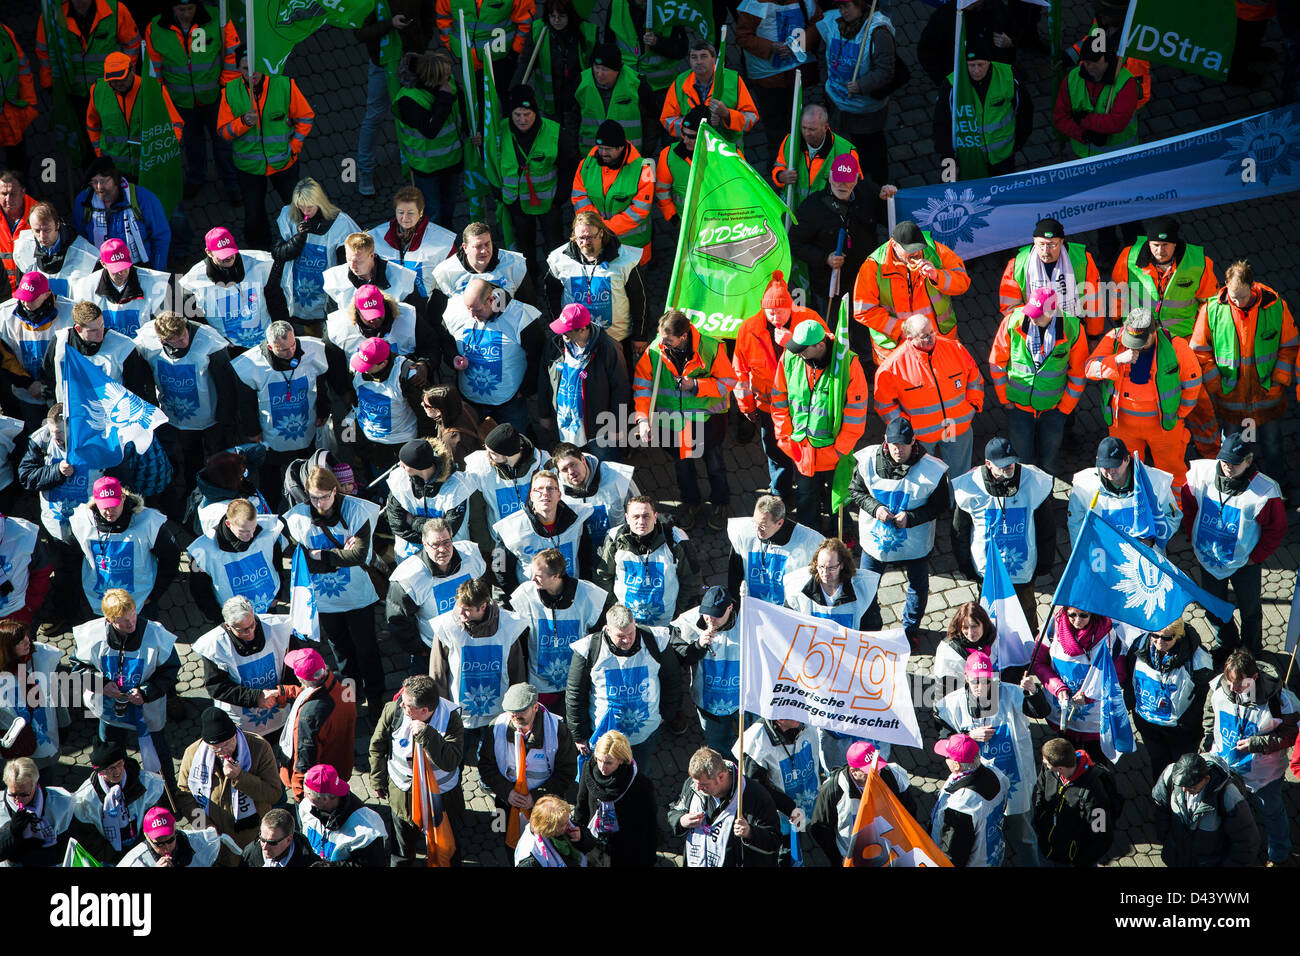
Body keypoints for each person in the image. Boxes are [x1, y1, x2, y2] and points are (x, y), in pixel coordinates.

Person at [1191, 259, 1297, 500]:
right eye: (1232, 296)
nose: (1236, 302)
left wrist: (1279, 380)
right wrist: (1215, 383)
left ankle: (1279, 490)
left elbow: (1289, 345)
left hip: (1265, 396)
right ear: (1225, 286)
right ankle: (1233, 492)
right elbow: (1199, 349)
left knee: (1271, 445)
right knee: (1234, 449)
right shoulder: (1212, 309)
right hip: (1233, 398)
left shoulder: (1275, 306)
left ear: (1253, 286)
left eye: (1241, 297)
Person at [283, 466, 386, 715]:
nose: (319, 503)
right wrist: (336, 558)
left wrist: (322, 555)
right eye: (314, 497)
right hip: (325, 601)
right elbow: (299, 560)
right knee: (341, 651)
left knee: (366, 648)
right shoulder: (297, 518)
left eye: (325, 496)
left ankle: (375, 699)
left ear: (335, 491)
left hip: (358, 596)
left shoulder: (357, 510)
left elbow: (359, 554)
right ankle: (351, 696)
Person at [935, 651, 1046, 866]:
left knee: (1023, 833)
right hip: (978, 787)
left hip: (1015, 781)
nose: (980, 685)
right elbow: (942, 742)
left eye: (986, 680)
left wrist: (1033, 691)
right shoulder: (951, 704)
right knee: (983, 836)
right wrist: (968, 737)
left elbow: (1040, 711)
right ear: (966, 677)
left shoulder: (1012, 693)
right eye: (975, 680)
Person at [1181, 434, 1286, 657]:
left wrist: (1255, 557)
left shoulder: (1264, 492)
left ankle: (1250, 651)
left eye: (1235, 463)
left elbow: (1276, 529)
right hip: (1208, 559)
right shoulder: (1201, 475)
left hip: (1244, 563)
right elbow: (1188, 503)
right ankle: (1227, 643)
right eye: (1225, 460)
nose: (1228, 467)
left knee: (1250, 611)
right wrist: (1193, 535)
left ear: (1248, 461)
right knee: (1213, 607)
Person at [849, 417, 950, 646]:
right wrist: (876, 509)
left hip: (915, 543)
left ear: (913, 441)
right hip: (876, 543)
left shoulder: (931, 469)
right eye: (894, 444)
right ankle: (871, 626)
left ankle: (910, 630)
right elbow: (856, 491)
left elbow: (940, 505)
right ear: (885, 441)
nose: (898, 450)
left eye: (904, 444)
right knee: (866, 585)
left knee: (918, 586)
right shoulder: (867, 461)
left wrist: (912, 518)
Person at [634, 310, 736, 531]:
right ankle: (691, 502)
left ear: (684, 336)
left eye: (668, 340)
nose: (663, 343)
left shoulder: (711, 348)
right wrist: (643, 420)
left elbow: (728, 382)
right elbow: (642, 387)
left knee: (715, 465)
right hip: (674, 425)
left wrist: (697, 386)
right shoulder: (655, 351)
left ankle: (720, 503)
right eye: (661, 337)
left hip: (707, 422)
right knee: (683, 468)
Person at [69, 589, 181, 790]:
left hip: (147, 709)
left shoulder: (156, 634)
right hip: (109, 711)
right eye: (124, 621)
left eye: (133, 615)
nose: (132, 623)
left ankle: (168, 792)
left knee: (158, 754)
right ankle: (118, 793)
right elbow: (77, 669)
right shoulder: (92, 635)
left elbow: (170, 671)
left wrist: (147, 691)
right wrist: (101, 684)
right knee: (111, 754)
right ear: (109, 620)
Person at [732, 274, 827, 501]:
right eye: (770, 312)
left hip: (805, 405)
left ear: (791, 307)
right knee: (775, 453)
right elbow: (739, 372)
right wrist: (746, 407)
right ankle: (780, 495)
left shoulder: (809, 320)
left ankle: (812, 492)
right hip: (768, 408)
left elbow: (828, 353)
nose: (775, 316)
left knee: (808, 450)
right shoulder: (749, 329)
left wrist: (792, 342)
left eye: (781, 311)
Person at [769, 318, 867, 532]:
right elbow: (779, 399)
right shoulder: (790, 357)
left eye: (803, 350)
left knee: (839, 496)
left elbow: (855, 414)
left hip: (834, 453)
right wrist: (784, 438)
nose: (798, 353)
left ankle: (842, 534)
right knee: (805, 496)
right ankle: (809, 535)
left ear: (820, 346)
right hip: (801, 450)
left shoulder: (848, 364)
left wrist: (841, 449)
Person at [1201, 649, 1298, 866]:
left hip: (1264, 776)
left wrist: (1256, 744)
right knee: (1228, 811)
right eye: (1230, 682)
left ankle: (1279, 854)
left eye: (1239, 684)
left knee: (1272, 814)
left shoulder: (1280, 700)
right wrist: (1207, 743)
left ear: (1254, 678)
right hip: (1225, 769)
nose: (1233, 689)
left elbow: (1290, 735)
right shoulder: (1219, 685)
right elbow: (1209, 714)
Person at [952, 438, 1055, 631]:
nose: (1008, 467)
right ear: (988, 464)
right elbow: (960, 530)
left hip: (1023, 568)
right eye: (1002, 465)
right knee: (989, 615)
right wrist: (965, 564)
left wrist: (1045, 562)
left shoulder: (1032, 481)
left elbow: (1046, 525)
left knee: (1026, 612)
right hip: (987, 569)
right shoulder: (970, 486)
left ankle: (1030, 652)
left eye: (1011, 462)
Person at [134, 309, 238, 498]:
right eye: (179, 340)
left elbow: (227, 382)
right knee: (190, 459)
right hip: (176, 416)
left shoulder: (208, 340)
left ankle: (222, 492)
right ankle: (193, 493)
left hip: (211, 416)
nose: (185, 341)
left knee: (218, 457)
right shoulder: (146, 339)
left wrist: (226, 417)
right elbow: (140, 374)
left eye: (184, 334)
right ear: (163, 340)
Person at [218, 48, 315, 249]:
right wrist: (243, 122)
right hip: (249, 168)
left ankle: (307, 243)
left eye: (255, 68)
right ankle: (260, 252)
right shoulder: (229, 92)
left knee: (299, 207)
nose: (251, 74)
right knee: (254, 214)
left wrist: (294, 148)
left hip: (283, 162)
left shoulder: (284, 85)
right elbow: (223, 132)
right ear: (238, 69)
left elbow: (306, 117)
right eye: (245, 69)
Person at [145, 3, 240, 204]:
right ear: (173, 8)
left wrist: (227, 88)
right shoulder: (155, 29)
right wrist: (163, 99)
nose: (186, 14)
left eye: (190, 8)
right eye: (181, 9)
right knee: (192, 142)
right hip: (181, 102)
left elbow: (232, 53)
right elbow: (154, 69)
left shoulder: (218, 19)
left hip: (215, 98)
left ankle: (232, 183)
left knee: (223, 142)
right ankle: (196, 178)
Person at [566, 603, 683, 768]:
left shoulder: (656, 641)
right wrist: (579, 735)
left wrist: (666, 714)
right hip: (606, 737)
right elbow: (575, 694)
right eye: (621, 636)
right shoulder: (588, 649)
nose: (627, 640)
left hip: (645, 733)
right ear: (607, 630)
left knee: (641, 771)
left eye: (631, 632)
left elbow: (672, 679)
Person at [231, 321, 334, 507]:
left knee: (306, 469)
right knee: (270, 477)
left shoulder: (312, 350)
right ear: (270, 346)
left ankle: (308, 503)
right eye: (284, 350)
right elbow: (245, 403)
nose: (291, 352)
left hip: (305, 425)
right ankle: (271, 509)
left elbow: (320, 384)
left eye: (293, 345)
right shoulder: (251, 364)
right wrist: (252, 430)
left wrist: (323, 409)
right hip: (270, 432)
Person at [988, 288, 1088, 477]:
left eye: (1037, 315)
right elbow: (996, 363)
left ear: (1051, 312)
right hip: (1018, 406)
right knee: (1022, 460)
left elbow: (1078, 375)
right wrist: (1005, 400)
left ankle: (1047, 489)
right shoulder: (1013, 321)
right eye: (1030, 312)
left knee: (1049, 460)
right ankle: (1026, 489)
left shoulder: (1073, 328)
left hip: (1053, 409)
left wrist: (1064, 409)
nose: (1032, 319)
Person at [874, 315, 984, 484]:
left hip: (956, 427)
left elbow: (974, 378)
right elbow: (884, 404)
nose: (931, 337)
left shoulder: (954, 348)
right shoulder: (892, 367)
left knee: (960, 476)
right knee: (925, 479)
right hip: (921, 435)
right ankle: (933, 509)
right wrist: (906, 429)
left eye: (932, 331)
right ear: (909, 338)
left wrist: (972, 406)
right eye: (924, 335)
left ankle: (958, 508)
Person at [429, 578, 529, 762]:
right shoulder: (447, 626)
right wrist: (441, 710)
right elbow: (437, 671)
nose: (461, 613)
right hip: (459, 709)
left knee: (490, 753)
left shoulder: (508, 624)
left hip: (498, 708)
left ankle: (487, 779)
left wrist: (518, 705)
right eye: (459, 606)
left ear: (483, 606)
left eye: (467, 609)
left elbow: (516, 667)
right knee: (456, 753)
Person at [369, 674, 464, 867]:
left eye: (407, 704)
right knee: (402, 851)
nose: (401, 705)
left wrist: (427, 734)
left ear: (424, 710)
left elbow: (451, 761)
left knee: (447, 849)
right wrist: (378, 781)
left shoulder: (451, 719)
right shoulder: (393, 710)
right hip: (403, 795)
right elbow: (377, 747)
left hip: (443, 798)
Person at [853, 220, 971, 367]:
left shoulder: (934, 251)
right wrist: (901, 330)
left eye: (918, 247)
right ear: (894, 245)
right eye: (910, 249)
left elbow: (962, 283)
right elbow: (863, 311)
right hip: (898, 348)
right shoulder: (873, 267)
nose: (916, 253)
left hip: (937, 340)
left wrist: (936, 276)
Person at [35, 0, 141, 163]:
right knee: (83, 141)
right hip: (74, 94)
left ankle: (116, 174)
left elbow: (132, 44)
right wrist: (50, 86)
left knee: (114, 136)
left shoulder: (115, 10)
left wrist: (125, 78)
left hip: (109, 93)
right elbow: (44, 51)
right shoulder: (52, 15)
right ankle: (93, 176)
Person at [789, 155, 892, 323]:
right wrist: (825, 259)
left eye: (847, 180)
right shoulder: (812, 207)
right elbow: (794, 242)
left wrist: (889, 201)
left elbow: (889, 221)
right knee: (833, 330)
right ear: (830, 177)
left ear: (857, 179)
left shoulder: (870, 193)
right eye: (837, 179)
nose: (841, 185)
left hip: (866, 282)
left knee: (864, 330)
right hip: (829, 287)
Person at [176, 706, 283, 864]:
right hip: (215, 843)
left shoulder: (259, 748)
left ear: (235, 734)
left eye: (227, 744)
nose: (222, 751)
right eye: (215, 748)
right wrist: (203, 825)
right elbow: (184, 795)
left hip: (251, 839)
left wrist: (240, 777)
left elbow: (274, 794)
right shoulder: (193, 754)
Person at [510, 548, 613, 711]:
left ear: (556, 576)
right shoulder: (525, 594)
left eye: (538, 576)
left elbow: (598, 636)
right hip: (540, 679)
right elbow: (518, 638)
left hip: (576, 677)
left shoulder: (587, 593)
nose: (532, 579)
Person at [355, 6, 437, 200]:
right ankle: (364, 171)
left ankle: (413, 163)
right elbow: (360, 32)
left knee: (413, 110)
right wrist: (389, 24)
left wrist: (420, 44)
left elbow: (427, 16)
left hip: (412, 59)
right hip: (382, 63)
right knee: (375, 115)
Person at [441, 277, 542, 433]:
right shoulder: (456, 310)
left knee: (515, 444)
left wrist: (527, 389)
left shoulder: (521, 317)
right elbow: (445, 341)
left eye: (478, 310)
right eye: (468, 309)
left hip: (509, 402)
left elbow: (538, 355)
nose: (472, 315)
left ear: (492, 300)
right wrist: (453, 357)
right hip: (470, 399)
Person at [68, 476, 177, 618]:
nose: (109, 511)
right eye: (104, 506)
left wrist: (155, 593)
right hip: (97, 602)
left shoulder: (148, 522)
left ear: (123, 498)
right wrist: (80, 592)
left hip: (139, 602)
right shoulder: (82, 522)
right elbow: (71, 558)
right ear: (95, 502)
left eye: (114, 505)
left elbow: (171, 557)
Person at [85, 52, 184, 206]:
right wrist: (100, 153)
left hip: (149, 169)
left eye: (122, 78)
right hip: (116, 171)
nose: (118, 84)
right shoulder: (98, 91)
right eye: (113, 81)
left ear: (132, 70)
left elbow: (175, 124)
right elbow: (92, 124)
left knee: (163, 208)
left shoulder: (153, 90)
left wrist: (163, 152)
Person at [1030, 607, 1126, 765]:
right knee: (1065, 758)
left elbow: (1118, 675)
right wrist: (1058, 687)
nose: (1077, 621)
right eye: (1072, 615)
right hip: (1062, 713)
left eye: (1083, 615)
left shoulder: (1108, 636)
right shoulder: (1053, 628)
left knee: (1096, 762)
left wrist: (1089, 695)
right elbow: (1038, 661)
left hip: (1094, 720)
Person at [191, 595, 296, 738]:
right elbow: (217, 687)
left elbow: (293, 663)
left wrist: (286, 691)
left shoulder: (277, 628)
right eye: (243, 630)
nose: (250, 633)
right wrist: (256, 697)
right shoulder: (215, 646)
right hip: (243, 724)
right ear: (228, 626)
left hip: (280, 713)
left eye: (252, 625)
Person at [1124, 617, 1214, 781]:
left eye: (1167, 638)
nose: (1159, 642)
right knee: (1158, 764)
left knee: (1182, 770)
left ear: (1178, 635)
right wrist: (1130, 701)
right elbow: (1129, 676)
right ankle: (1161, 797)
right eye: (1155, 636)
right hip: (1149, 726)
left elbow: (1204, 697)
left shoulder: (1198, 660)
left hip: (1181, 732)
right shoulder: (1138, 647)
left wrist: (1189, 724)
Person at [544, 211, 646, 356]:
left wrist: (639, 336)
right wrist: (562, 326)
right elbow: (551, 294)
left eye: (590, 237)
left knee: (621, 378)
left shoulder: (626, 259)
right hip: (577, 339)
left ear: (601, 233)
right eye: (581, 238)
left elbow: (640, 299)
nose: (585, 243)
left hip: (616, 339)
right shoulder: (559, 260)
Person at [501, 84, 579, 270]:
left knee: (556, 245)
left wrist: (559, 198)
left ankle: (559, 279)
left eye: (527, 114)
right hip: (517, 204)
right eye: (517, 115)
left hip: (549, 203)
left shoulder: (554, 132)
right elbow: (489, 161)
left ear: (536, 112)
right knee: (524, 246)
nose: (522, 120)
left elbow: (570, 166)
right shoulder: (499, 132)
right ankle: (531, 280)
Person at [595, 494, 702, 628]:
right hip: (626, 625)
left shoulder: (675, 539)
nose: (641, 521)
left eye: (646, 516)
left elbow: (691, 580)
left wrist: (678, 615)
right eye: (636, 516)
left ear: (655, 516)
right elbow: (603, 577)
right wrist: (615, 608)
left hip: (666, 623)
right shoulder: (613, 539)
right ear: (627, 518)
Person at [479, 682, 579, 825]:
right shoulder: (496, 727)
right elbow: (485, 766)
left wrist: (536, 797)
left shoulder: (558, 731)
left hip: (544, 804)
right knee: (501, 831)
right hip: (505, 800)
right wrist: (507, 792)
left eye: (522, 711)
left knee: (542, 840)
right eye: (511, 711)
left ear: (536, 707)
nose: (515, 716)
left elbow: (567, 772)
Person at [933, 37, 1031, 180]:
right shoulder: (952, 85)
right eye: (971, 65)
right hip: (968, 161)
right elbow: (941, 125)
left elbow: (1025, 111)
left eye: (980, 64)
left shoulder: (1009, 77)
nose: (976, 71)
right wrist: (949, 160)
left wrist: (1017, 145)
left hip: (1003, 160)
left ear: (989, 61)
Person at [387, 517, 487, 657]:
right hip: (435, 648)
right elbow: (399, 621)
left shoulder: (470, 556)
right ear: (425, 544)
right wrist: (420, 650)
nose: (442, 549)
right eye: (435, 544)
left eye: (447, 542)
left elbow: (485, 593)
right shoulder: (408, 577)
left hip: (473, 641)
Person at [667, 746, 780, 867]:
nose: (698, 788)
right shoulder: (693, 784)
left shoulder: (756, 796)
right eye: (696, 783)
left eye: (704, 785)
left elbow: (774, 842)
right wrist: (682, 821)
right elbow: (674, 811)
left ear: (721, 776)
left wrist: (750, 833)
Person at [273, 178, 360, 331]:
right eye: (300, 207)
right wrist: (298, 238)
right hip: (298, 290)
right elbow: (278, 254)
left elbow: (350, 259)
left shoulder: (340, 223)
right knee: (309, 327)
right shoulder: (288, 216)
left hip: (326, 290)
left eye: (309, 207)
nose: (305, 212)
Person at [809, 739, 915, 865]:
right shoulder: (833, 790)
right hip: (857, 859)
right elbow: (820, 829)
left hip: (892, 851)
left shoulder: (892, 774)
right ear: (854, 772)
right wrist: (838, 859)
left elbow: (909, 808)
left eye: (878, 766)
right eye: (869, 771)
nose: (877, 773)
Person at [1067, 436, 1179, 551]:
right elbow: (1076, 524)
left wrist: (1152, 541)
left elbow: (1173, 517)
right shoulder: (1083, 487)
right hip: (1105, 560)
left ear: (1127, 459)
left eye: (1115, 465)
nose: (1110, 471)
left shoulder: (1156, 482)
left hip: (1147, 559)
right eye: (1105, 466)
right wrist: (1083, 555)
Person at [738, 716, 823, 867]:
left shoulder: (807, 721)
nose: (801, 712)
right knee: (786, 848)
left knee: (799, 833)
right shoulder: (757, 740)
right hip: (782, 814)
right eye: (793, 712)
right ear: (779, 719)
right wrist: (789, 807)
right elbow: (756, 787)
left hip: (807, 798)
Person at [998, 218, 1102, 340]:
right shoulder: (1017, 264)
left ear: (1062, 241)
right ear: (1034, 241)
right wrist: (1033, 325)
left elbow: (1093, 300)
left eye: (1052, 245)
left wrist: (1093, 335)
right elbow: (1010, 308)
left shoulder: (1082, 259)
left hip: (1073, 331)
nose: (1045, 251)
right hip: (1031, 331)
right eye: (1041, 244)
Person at [1151, 752, 1261, 867]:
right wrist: (1166, 839)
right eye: (1181, 785)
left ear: (1207, 779)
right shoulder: (1170, 774)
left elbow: (1247, 842)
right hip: (1177, 857)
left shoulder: (1229, 796)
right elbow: (1160, 807)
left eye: (1192, 787)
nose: (1184, 790)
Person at [277, 648, 357, 803]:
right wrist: (285, 692)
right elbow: (320, 694)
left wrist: (301, 797)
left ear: (300, 678)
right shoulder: (345, 683)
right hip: (341, 766)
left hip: (320, 785)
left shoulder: (309, 716)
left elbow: (304, 760)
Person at [571, 119, 654, 267]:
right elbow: (579, 197)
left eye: (608, 149)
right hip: (598, 242)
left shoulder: (646, 167)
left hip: (632, 245)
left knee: (635, 287)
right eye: (600, 147)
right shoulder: (586, 165)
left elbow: (640, 210)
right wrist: (599, 228)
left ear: (621, 147)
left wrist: (602, 229)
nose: (603, 153)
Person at [69, 740, 166, 864]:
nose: (117, 771)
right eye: (110, 769)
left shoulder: (145, 783)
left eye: (119, 764)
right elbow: (90, 838)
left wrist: (143, 846)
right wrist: (115, 857)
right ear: (100, 771)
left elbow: (154, 817)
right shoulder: (85, 799)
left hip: (143, 847)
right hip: (110, 857)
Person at [670, 585, 742, 752]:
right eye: (707, 614)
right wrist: (697, 646)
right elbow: (678, 658)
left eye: (716, 616)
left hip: (742, 702)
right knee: (718, 745)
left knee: (746, 742)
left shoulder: (747, 621)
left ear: (730, 608)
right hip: (708, 703)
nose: (710, 620)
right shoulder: (689, 622)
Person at [178, 226, 276, 350]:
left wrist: (279, 325)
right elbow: (190, 317)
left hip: (268, 337)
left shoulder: (259, 263)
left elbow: (276, 297)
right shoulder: (192, 281)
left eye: (230, 252)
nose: (228, 257)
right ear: (209, 252)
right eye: (222, 254)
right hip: (228, 346)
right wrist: (213, 338)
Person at [186, 499, 285, 620]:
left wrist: (278, 594)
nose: (252, 535)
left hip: (268, 604)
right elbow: (199, 589)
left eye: (254, 527)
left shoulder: (268, 531)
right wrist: (216, 617)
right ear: (228, 524)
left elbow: (277, 563)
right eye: (244, 531)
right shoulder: (203, 550)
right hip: (233, 617)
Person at [493, 469, 594, 586]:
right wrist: (517, 597)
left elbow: (586, 556)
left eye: (551, 488)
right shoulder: (509, 527)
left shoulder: (578, 517)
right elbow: (500, 568)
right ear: (531, 495)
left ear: (559, 495)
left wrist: (581, 587)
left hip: (570, 592)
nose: (545, 493)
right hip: (532, 597)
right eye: (539, 489)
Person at [574, 729, 658, 868]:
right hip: (594, 846)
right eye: (599, 760)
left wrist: (648, 858)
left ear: (621, 760)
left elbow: (648, 826)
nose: (602, 767)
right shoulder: (589, 771)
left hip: (626, 848)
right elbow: (581, 805)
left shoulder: (640, 784)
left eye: (608, 763)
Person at [1029, 736, 1116, 867]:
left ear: (1060, 769)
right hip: (1045, 846)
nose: (1043, 762)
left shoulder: (1093, 795)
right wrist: (1037, 821)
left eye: (1047, 762)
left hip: (1071, 859)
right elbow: (1040, 791)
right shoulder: (1049, 770)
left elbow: (1102, 836)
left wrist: (1082, 861)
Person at [1052, 31, 1138, 159]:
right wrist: (1083, 135)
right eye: (1086, 61)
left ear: (1108, 58)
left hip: (1119, 158)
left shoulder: (1126, 83)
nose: (1089, 66)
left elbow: (1117, 123)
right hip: (1082, 158)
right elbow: (1060, 117)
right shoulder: (1073, 78)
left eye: (1094, 61)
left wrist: (1083, 120)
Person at [930, 732, 1011, 867]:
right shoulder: (995, 772)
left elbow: (953, 852)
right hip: (992, 852)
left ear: (956, 765)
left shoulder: (961, 805)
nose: (944, 759)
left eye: (947, 756)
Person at [660, 40, 760, 149]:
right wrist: (692, 126)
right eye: (694, 57)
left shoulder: (733, 79)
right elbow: (667, 119)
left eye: (703, 56)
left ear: (714, 59)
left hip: (728, 151)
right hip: (694, 150)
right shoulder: (680, 82)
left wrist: (727, 115)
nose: (698, 62)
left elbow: (751, 117)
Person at [347, 336, 426, 475]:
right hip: (368, 440)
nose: (361, 369)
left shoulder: (406, 375)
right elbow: (353, 398)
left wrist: (425, 444)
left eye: (367, 366)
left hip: (400, 444)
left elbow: (424, 413)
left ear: (383, 364)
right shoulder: (357, 365)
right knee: (373, 476)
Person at [463, 422, 544, 556]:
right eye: (486, 448)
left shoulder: (541, 464)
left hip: (535, 543)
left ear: (509, 455)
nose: (487, 456)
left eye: (493, 453)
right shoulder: (480, 468)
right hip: (499, 546)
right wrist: (487, 545)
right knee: (501, 574)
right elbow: (476, 512)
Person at [726, 495, 823, 607]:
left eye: (763, 526)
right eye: (755, 523)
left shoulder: (808, 542)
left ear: (780, 523)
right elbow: (735, 573)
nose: (757, 530)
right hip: (751, 607)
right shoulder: (744, 533)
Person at [385, 438, 473, 560]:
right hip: (412, 556)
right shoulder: (399, 479)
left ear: (419, 466)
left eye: (405, 462)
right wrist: (432, 537)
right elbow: (397, 525)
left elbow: (449, 530)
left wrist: (414, 521)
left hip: (450, 555)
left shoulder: (456, 485)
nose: (400, 465)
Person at [368, 185, 456, 304]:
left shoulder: (443, 241)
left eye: (410, 213)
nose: (405, 218)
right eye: (400, 212)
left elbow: (453, 278)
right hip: (388, 306)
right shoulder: (375, 237)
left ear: (421, 212)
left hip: (426, 308)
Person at [70, 237, 170, 339]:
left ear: (130, 256)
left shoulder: (155, 282)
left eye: (123, 266)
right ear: (103, 264)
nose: (120, 272)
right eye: (115, 268)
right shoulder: (86, 286)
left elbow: (167, 326)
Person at [771, 104, 860, 215]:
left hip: (826, 218)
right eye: (804, 128)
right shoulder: (791, 141)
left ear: (826, 128)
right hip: (794, 214)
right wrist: (780, 176)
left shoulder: (845, 152)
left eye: (812, 129)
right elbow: (779, 166)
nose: (807, 133)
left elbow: (854, 189)